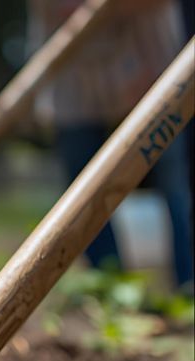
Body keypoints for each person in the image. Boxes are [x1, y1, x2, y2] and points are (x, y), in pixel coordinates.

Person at [30, 0, 194, 292]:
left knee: (177, 185)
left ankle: (189, 282)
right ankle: (109, 289)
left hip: (150, 61)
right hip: (75, 78)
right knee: (83, 189)